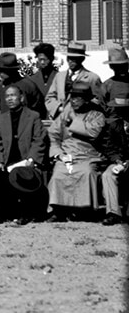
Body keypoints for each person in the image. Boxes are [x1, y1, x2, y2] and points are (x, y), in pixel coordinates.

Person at [47, 82, 108, 221]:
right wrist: (59, 154)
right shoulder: (64, 115)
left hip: (88, 156)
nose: (73, 101)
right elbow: (53, 135)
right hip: (67, 155)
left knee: (86, 173)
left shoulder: (97, 115)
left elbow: (93, 132)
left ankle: (84, 210)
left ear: (86, 100)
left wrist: (75, 120)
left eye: (77, 98)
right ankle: (58, 210)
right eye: (72, 97)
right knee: (59, 173)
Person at [0, 85, 49, 224]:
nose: (10, 99)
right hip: (7, 161)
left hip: (26, 160)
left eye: (13, 95)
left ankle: (26, 214)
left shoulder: (33, 116)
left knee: (22, 176)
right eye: (7, 96)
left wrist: (32, 159)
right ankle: (1, 214)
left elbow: (39, 140)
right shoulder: (1, 119)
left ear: (21, 98)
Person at [45, 42, 103, 121]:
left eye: (75, 58)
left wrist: (82, 107)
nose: (70, 61)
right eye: (69, 58)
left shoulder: (92, 78)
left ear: (82, 59)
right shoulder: (59, 76)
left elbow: (99, 100)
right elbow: (49, 97)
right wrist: (58, 108)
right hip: (60, 119)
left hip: (82, 121)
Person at [101, 86, 129, 225]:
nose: (122, 112)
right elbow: (109, 148)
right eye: (120, 109)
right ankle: (113, 212)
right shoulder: (114, 126)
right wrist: (118, 162)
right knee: (108, 175)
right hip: (120, 162)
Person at [0, 52, 43, 117]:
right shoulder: (0, 88)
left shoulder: (28, 86)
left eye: (2, 70)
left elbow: (39, 108)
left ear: (10, 70)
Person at [26, 43, 58, 119]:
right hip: (37, 119)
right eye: (40, 60)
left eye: (45, 59)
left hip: (55, 119)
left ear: (51, 58)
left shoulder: (60, 77)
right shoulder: (32, 79)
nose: (42, 62)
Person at [102, 46, 129, 120]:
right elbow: (102, 106)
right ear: (111, 67)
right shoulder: (107, 85)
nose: (122, 69)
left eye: (124, 65)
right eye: (118, 67)